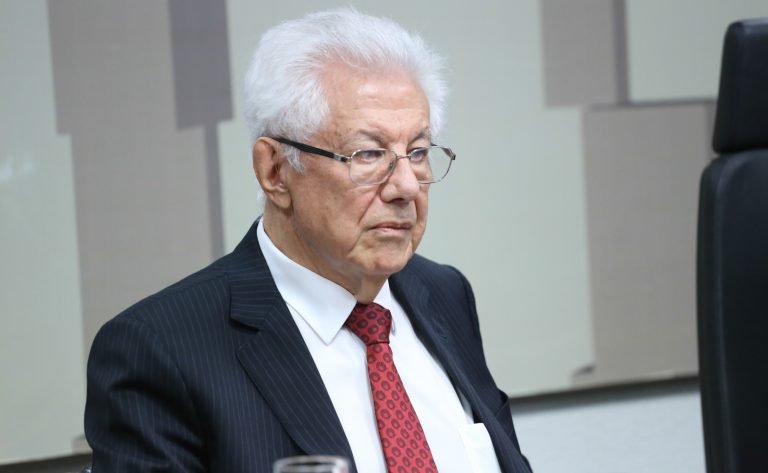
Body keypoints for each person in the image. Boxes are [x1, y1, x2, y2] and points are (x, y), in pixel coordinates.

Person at [84, 8, 531, 473]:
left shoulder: (444, 294)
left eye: (417, 152)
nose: (406, 187)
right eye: (368, 154)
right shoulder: (161, 350)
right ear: (275, 171)